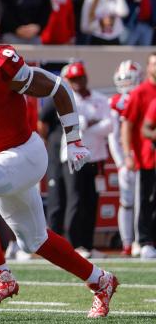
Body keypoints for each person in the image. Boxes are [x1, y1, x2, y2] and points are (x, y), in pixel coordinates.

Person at [0, 0, 118, 317]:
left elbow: (58, 87)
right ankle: (101, 281)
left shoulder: (0, 61)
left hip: (24, 153)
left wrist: (75, 139)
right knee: (34, 241)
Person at [60, 62, 111, 257]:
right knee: (76, 200)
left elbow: (109, 125)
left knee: (92, 200)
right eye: (73, 80)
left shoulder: (99, 98)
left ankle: (88, 245)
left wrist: (88, 125)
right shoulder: (68, 98)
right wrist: (90, 123)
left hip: (96, 156)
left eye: (80, 78)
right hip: (74, 155)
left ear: (85, 78)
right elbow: (75, 126)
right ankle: (73, 245)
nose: (77, 83)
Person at [125, 53, 156, 260]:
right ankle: (143, 240)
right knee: (145, 201)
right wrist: (129, 153)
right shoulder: (140, 92)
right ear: (148, 67)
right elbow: (128, 125)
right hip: (146, 156)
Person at [109, 60, 141, 256]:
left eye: (129, 79)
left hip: (144, 156)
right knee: (127, 202)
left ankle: (141, 241)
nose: (126, 83)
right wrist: (120, 162)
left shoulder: (145, 96)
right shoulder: (115, 102)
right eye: (123, 79)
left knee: (143, 202)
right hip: (127, 158)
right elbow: (113, 135)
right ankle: (128, 243)